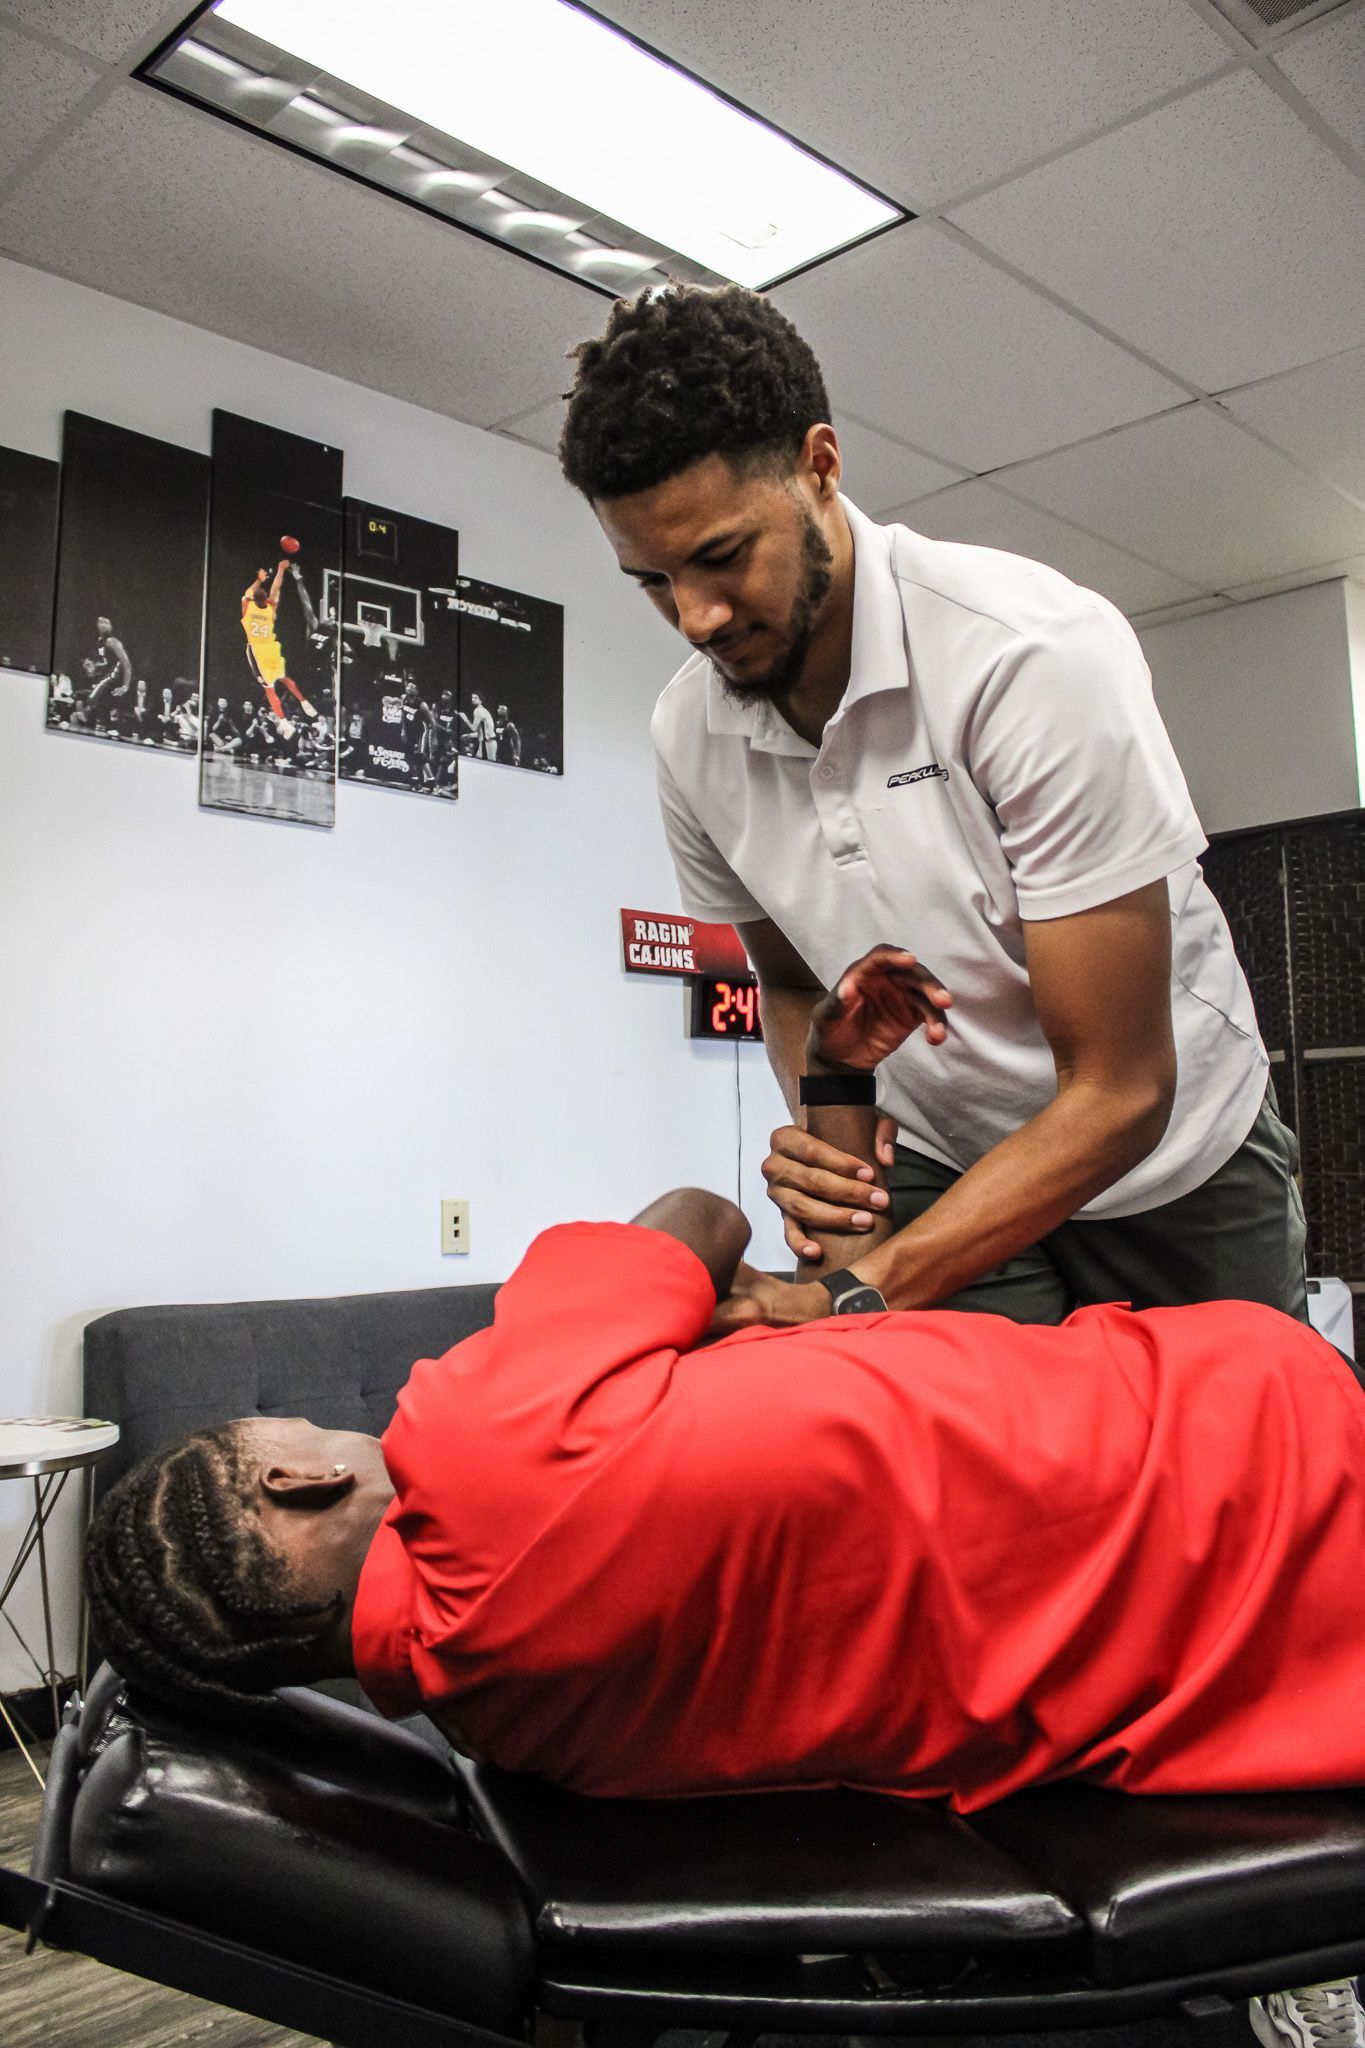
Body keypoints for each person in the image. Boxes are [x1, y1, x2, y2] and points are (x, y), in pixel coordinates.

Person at [558, 285, 1305, 1332]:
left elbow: (1121, 1086)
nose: (696, 617)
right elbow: (787, 981)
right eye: (653, 580)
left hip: (1166, 1163)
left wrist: (850, 1288)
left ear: (821, 465)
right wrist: (834, 1143)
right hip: (941, 1153)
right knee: (968, 1483)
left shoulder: (1027, 655)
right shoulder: (690, 735)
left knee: (1239, 1473)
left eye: (723, 557)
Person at [241, 557, 317, 740]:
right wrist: (281, 569)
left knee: (270, 690)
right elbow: (277, 588)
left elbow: (248, 593)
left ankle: (284, 723)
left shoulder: (247, 608)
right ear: (265, 599)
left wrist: (259, 580)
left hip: (258, 652)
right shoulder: (270, 609)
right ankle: (304, 701)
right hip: (272, 648)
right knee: (284, 678)